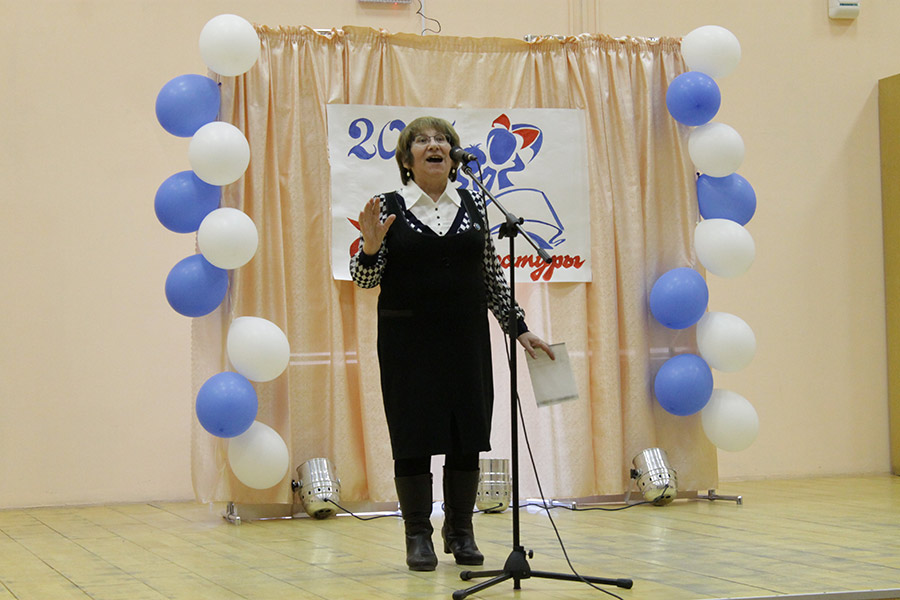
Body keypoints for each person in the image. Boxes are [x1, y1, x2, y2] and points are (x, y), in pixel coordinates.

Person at [350, 116, 554, 572]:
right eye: (422, 140)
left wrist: (519, 327)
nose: (434, 145)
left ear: (453, 155)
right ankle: (417, 535)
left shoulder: (475, 201)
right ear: (407, 159)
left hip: (465, 336)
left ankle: (460, 530)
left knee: (467, 433)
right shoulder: (387, 206)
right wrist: (369, 248)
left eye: (442, 139)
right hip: (407, 342)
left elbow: (489, 274)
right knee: (413, 436)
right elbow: (365, 280)